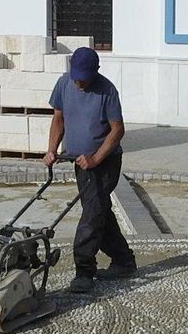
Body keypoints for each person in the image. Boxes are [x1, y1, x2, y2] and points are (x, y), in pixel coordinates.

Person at [44, 46, 136, 291]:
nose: (79, 82)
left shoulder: (107, 90)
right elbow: (58, 119)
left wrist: (95, 158)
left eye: (84, 78)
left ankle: (84, 270)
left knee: (92, 213)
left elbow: (118, 130)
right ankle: (123, 260)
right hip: (79, 162)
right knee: (99, 210)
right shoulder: (64, 84)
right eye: (76, 77)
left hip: (105, 162)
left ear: (95, 71)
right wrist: (51, 149)